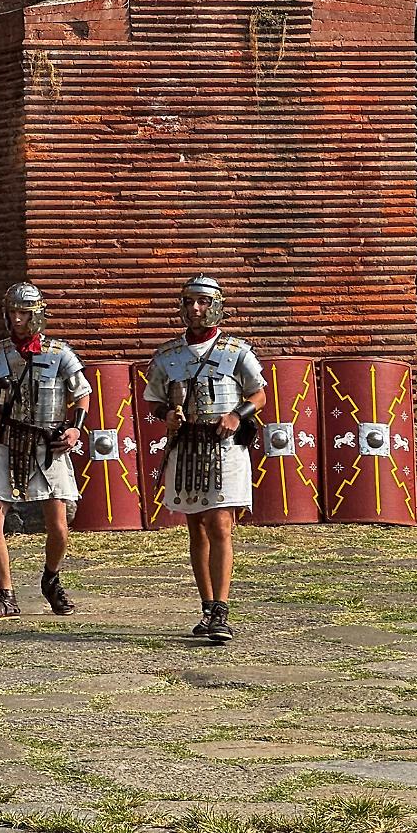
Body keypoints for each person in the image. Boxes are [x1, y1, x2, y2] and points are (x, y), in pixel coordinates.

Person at [143, 275, 266, 643]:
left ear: (216, 306)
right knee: (196, 527)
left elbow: (258, 395)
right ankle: (207, 606)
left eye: (202, 302)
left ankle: (222, 610)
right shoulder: (167, 356)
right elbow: (152, 399)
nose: (194, 309)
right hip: (187, 447)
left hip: (224, 446)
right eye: (188, 302)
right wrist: (166, 414)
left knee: (221, 524)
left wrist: (236, 414)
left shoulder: (237, 351)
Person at [0, 283, 91, 621]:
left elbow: (82, 393)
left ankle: (51, 579)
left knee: (58, 524)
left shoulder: (60, 354)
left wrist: (75, 428)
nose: (16, 319)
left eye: (23, 312)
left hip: (49, 445)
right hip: (8, 442)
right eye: (12, 312)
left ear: (37, 314)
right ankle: (6, 594)